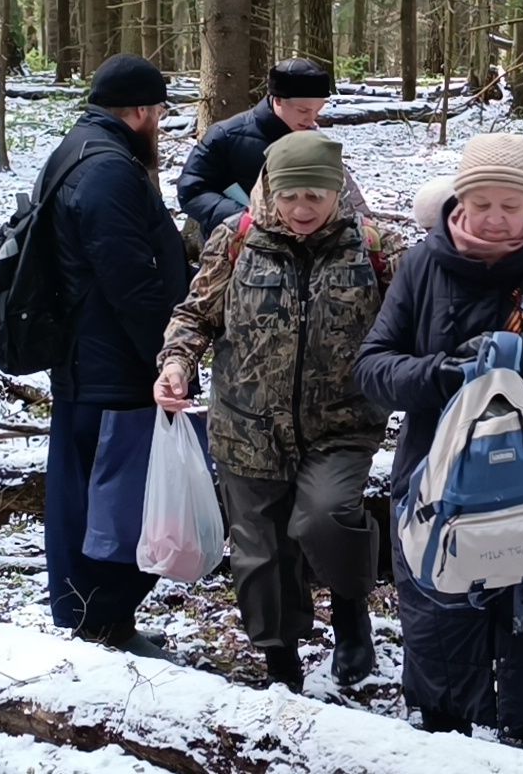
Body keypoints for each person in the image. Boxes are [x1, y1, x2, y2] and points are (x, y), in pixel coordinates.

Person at [355, 133, 523, 752]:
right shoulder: (421, 265)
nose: (496, 220)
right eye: (484, 204)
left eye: (511, 207)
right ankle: (444, 732)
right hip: (437, 482)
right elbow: (373, 368)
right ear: (459, 203)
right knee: (440, 603)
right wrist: (441, 373)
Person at [153, 132, 386, 693]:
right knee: (260, 551)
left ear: (338, 192)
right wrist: (176, 363)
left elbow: (411, 322)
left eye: (315, 196)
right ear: (268, 193)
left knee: (326, 516)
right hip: (246, 424)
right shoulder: (235, 241)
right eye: (289, 196)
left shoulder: (375, 247)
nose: (301, 209)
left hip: (340, 425)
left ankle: (352, 615)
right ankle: (280, 660)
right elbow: (196, 315)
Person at [42, 54, 191, 657]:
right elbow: (130, 280)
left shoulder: (80, 151)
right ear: (137, 111)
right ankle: (100, 623)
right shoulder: (108, 171)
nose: (159, 121)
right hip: (110, 368)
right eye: (157, 110)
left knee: (89, 492)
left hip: (92, 360)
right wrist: (168, 353)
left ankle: (94, 618)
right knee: (110, 500)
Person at [177, 58, 371, 240]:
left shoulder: (313, 139)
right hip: (237, 248)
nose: (311, 119)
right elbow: (192, 190)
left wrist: (366, 226)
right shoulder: (226, 136)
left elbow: (343, 190)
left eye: (317, 110)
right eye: (303, 111)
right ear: (277, 99)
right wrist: (241, 217)